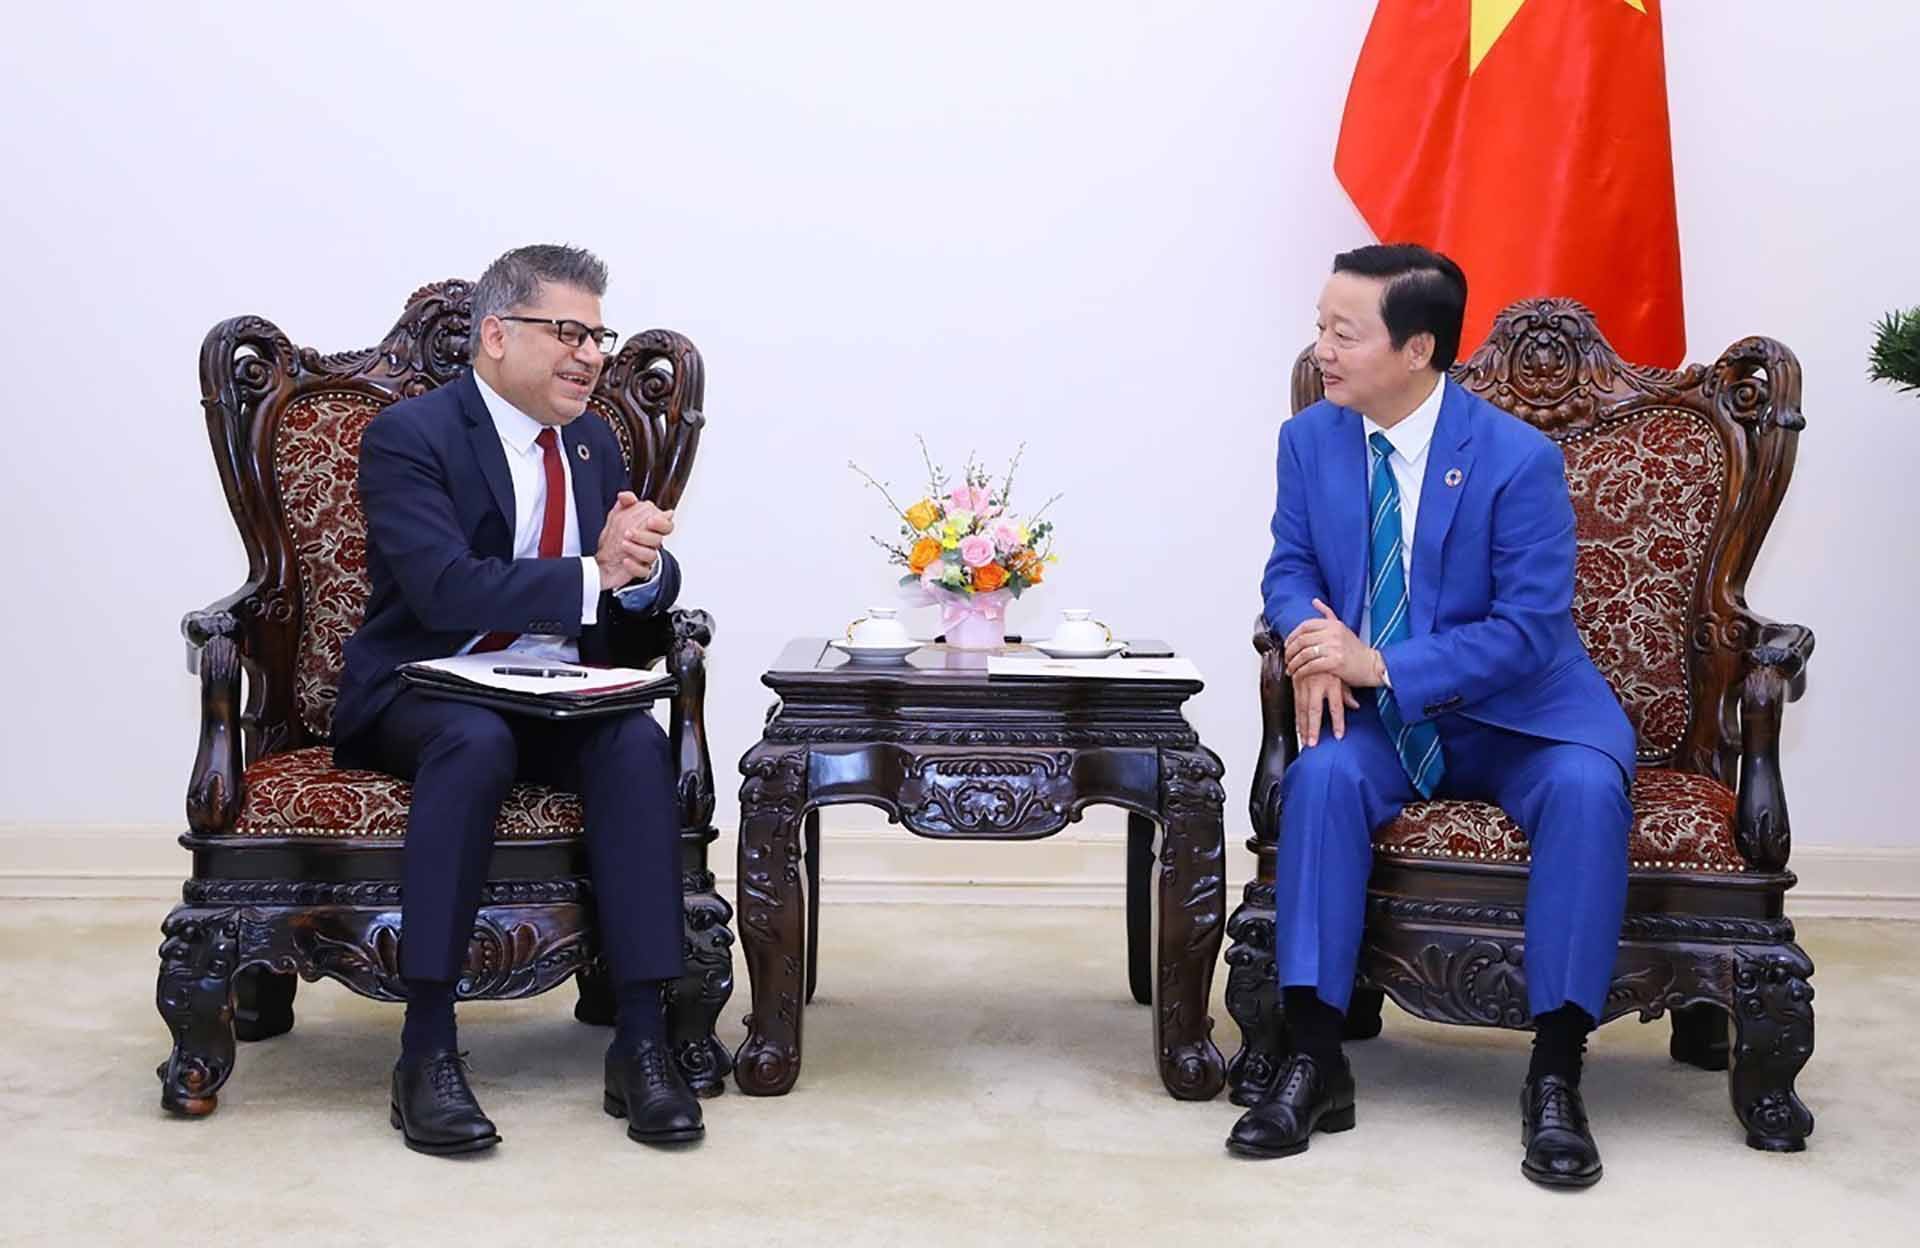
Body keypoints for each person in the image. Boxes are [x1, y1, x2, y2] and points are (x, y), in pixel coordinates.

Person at [1230, 243, 1635, 1189]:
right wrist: (1311, 643)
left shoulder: (1516, 459)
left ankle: (1556, 1073)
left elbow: (1528, 630)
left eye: (1344, 332)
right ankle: (1315, 1059)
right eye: (1320, 327)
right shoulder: (1311, 440)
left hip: (1522, 716)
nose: (1321, 349)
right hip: (1384, 721)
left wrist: (1376, 662)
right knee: (1321, 778)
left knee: (1585, 791)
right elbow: (1290, 567)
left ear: (1417, 349)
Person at [332, 244, 700, 1156]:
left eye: (598, 337)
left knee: (633, 743)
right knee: (475, 741)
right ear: (495, 335)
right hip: (426, 687)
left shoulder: (594, 441)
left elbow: (617, 597)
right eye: (568, 332)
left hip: (551, 692)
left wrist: (643, 577)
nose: (590, 355)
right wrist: (594, 573)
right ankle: (426, 1050)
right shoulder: (411, 435)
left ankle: (642, 1042)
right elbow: (443, 590)